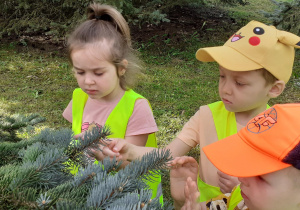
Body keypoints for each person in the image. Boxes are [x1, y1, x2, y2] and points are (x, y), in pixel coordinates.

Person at [101, 20, 300, 208]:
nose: (226, 89)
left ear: (274, 89)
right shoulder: (206, 116)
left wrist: (239, 190)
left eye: (239, 83)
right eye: (222, 76)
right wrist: (131, 151)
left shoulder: (280, 132)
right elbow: (168, 155)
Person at [62, 3, 163, 203]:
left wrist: (104, 158)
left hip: (129, 197)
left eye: (98, 73)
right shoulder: (78, 97)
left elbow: (135, 164)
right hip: (86, 189)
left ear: (121, 68)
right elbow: (69, 137)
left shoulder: (136, 106)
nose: (88, 81)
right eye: (80, 72)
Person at [178, 103, 300, 210]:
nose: (241, 178)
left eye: (261, 177)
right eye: (247, 165)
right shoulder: (238, 197)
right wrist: (182, 200)